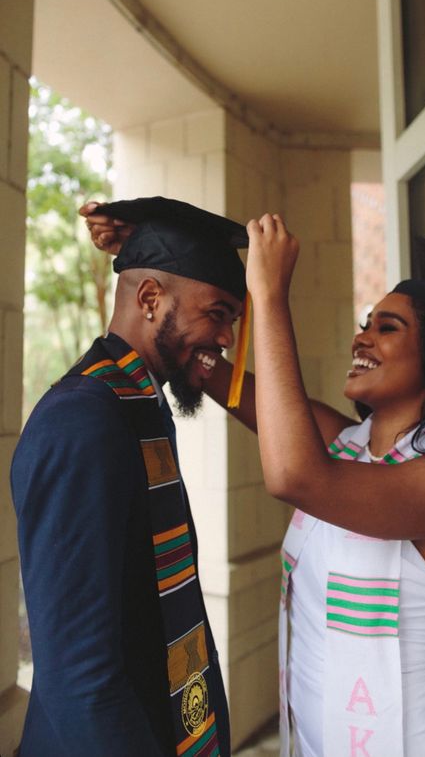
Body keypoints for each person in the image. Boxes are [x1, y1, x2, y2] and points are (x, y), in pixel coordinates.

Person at [85, 206, 425, 757]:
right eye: (366, 322)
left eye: (388, 328)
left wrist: (268, 294)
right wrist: (154, 252)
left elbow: (295, 475)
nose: (362, 338)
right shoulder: (348, 447)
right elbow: (207, 366)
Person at [11, 196, 253, 757]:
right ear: (148, 299)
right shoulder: (83, 419)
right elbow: (79, 678)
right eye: (218, 313)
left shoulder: (139, 403)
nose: (225, 339)